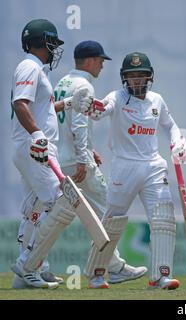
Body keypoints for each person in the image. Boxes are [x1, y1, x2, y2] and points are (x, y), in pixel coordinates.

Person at [80, 52, 186, 290]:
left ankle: (160, 276)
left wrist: (178, 141)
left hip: (153, 167)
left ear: (149, 77)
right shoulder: (117, 97)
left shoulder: (157, 100)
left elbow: (170, 125)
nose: (137, 81)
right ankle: (97, 274)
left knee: (163, 219)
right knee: (112, 221)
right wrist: (92, 106)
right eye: (132, 76)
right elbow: (101, 110)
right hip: (124, 168)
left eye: (141, 76)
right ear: (125, 79)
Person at [53, 41, 148, 289]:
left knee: (75, 214)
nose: (102, 66)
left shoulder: (62, 83)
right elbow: (80, 125)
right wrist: (84, 158)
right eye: (100, 61)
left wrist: (87, 150)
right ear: (90, 60)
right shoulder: (84, 85)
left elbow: (60, 122)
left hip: (60, 158)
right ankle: (108, 270)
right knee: (110, 212)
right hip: (76, 162)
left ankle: (32, 266)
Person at [10, 19, 90, 289]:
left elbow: (41, 109)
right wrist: (37, 135)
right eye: (52, 43)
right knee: (59, 204)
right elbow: (20, 104)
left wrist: (68, 103)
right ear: (42, 41)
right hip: (35, 147)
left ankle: (34, 267)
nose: (55, 48)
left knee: (35, 208)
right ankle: (28, 262)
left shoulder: (37, 69)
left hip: (38, 146)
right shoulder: (29, 66)